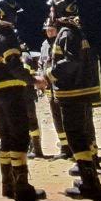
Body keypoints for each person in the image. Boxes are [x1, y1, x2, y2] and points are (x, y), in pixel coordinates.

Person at [0, 0, 45, 201]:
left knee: (5, 139)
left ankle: (7, 185)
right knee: (19, 138)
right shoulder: (8, 36)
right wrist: (34, 80)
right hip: (13, 95)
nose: (16, 17)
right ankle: (22, 188)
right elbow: (15, 66)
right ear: (5, 14)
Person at [44, 0, 101, 198]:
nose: (51, 13)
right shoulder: (76, 31)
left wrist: (48, 74)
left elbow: (70, 63)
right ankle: (90, 179)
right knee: (82, 135)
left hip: (72, 94)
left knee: (76, 137)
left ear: (60, 10)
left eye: (52, 9)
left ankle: (90, 185)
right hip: (81, 93)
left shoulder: (67, 34)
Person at [36, 19, 71, 159]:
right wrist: (40, 77)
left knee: (66, 117)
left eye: (52, 30)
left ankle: (73, 147)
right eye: (47, 30)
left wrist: (49, 76)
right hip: (49, 88)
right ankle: (64, 147)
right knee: (56, 117)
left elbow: (65, 65)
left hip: (61, 87)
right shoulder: (45, 45)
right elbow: (41, 63)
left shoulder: (62, 42)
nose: (49, 32)